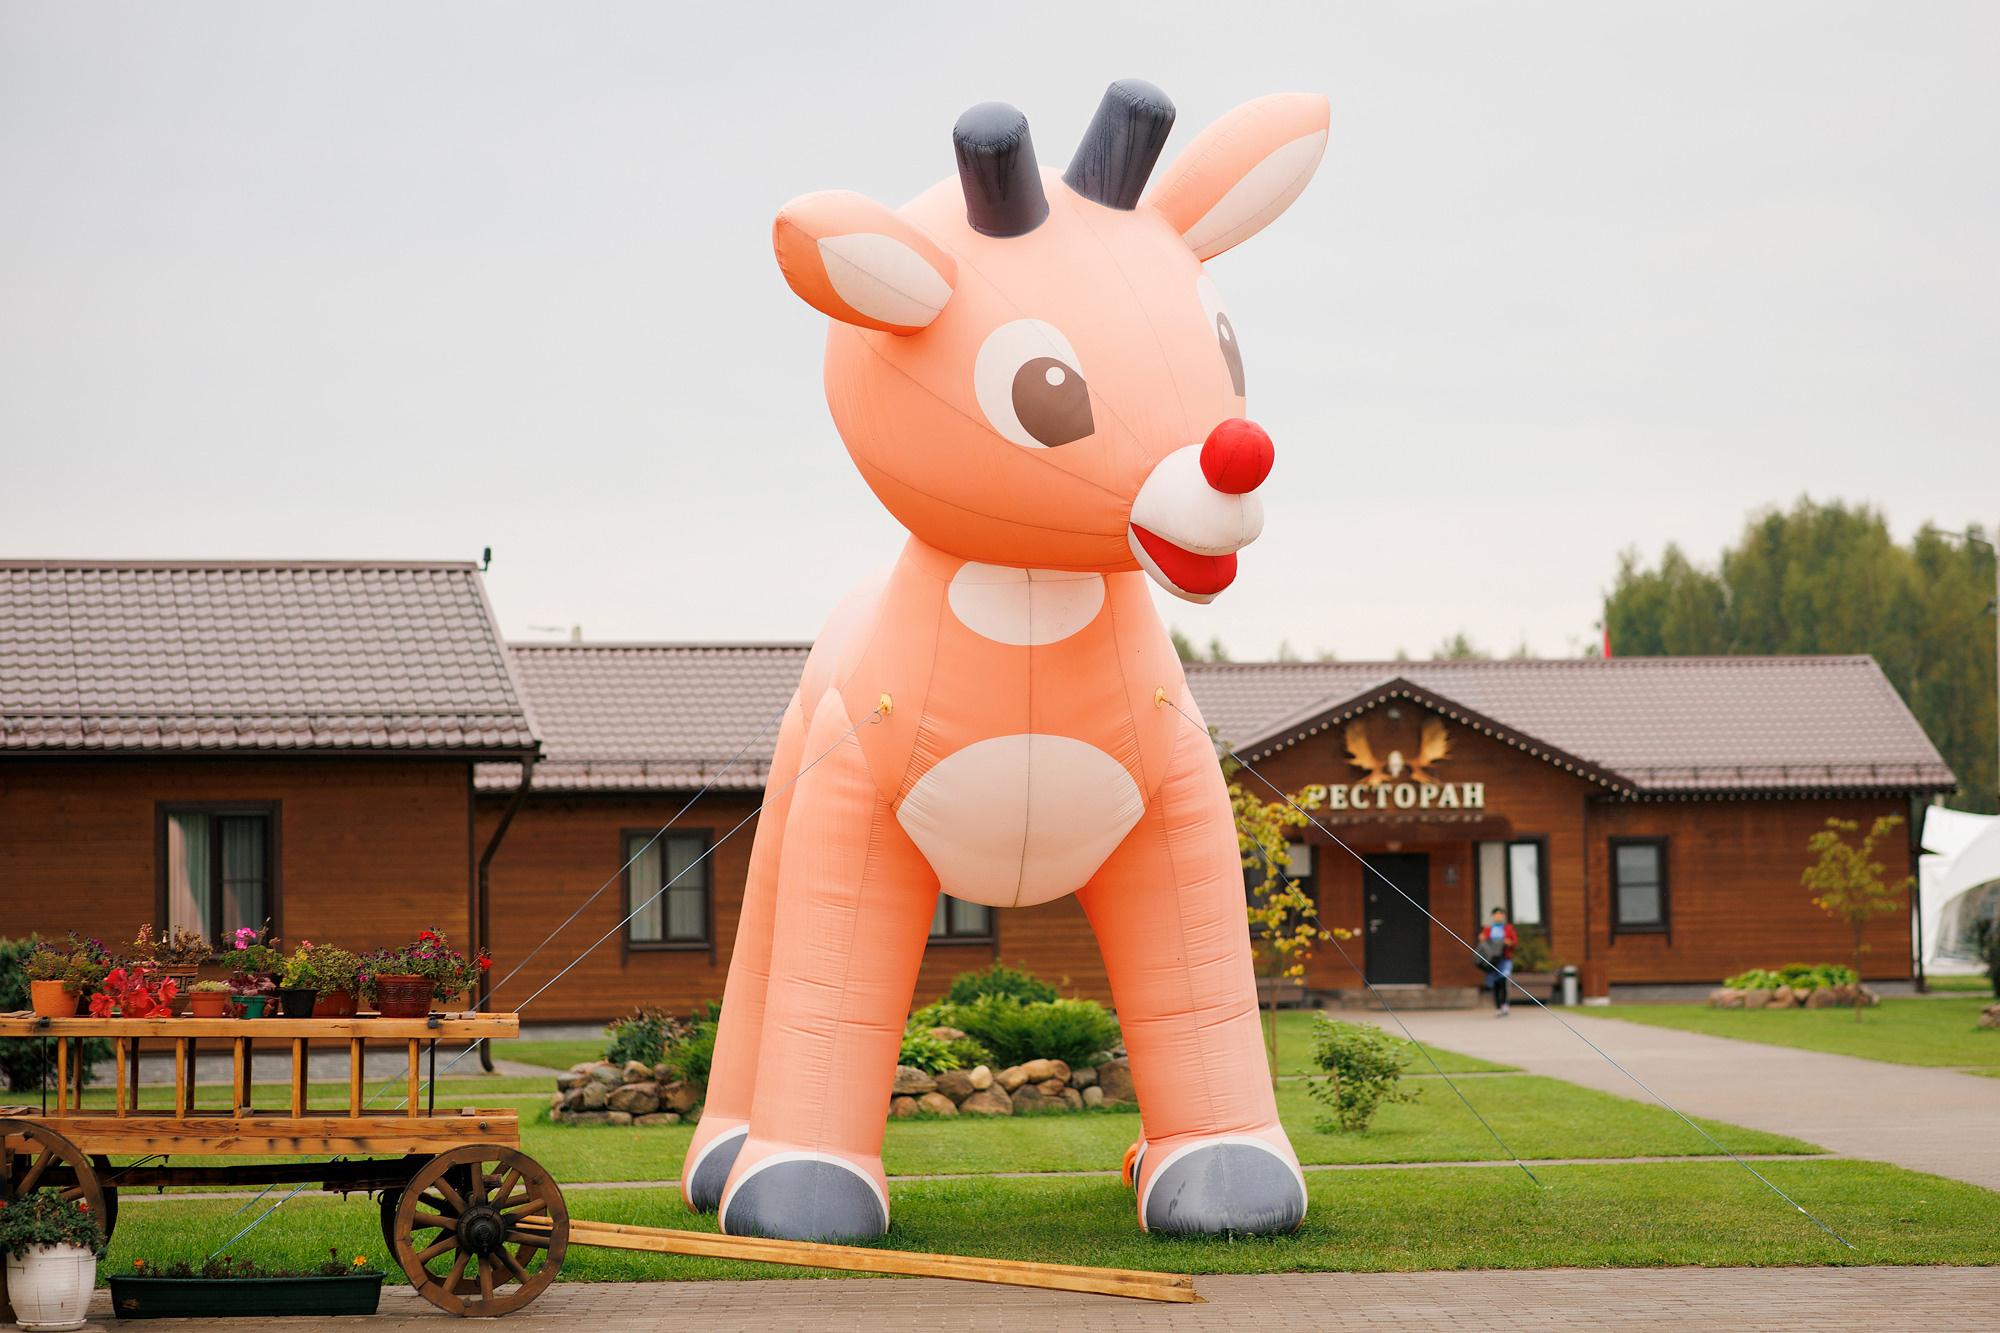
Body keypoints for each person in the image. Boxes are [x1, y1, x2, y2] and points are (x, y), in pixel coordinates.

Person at [1476, 907, 1518, 1016]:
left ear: (1503, 916)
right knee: (1495, 983)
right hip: (1492, 960)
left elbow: (1514, 942)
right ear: (1492, 916)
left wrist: (1509, 943)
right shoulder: (1488, 929)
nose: (1498, 916)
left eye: (1500, 914)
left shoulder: (1508, 929)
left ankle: (1504, 1004)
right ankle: (1498, 1006)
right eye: (1496, 914)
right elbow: (1484, 945)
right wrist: (1482, 939)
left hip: (1504, 958)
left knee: (1503, 981)